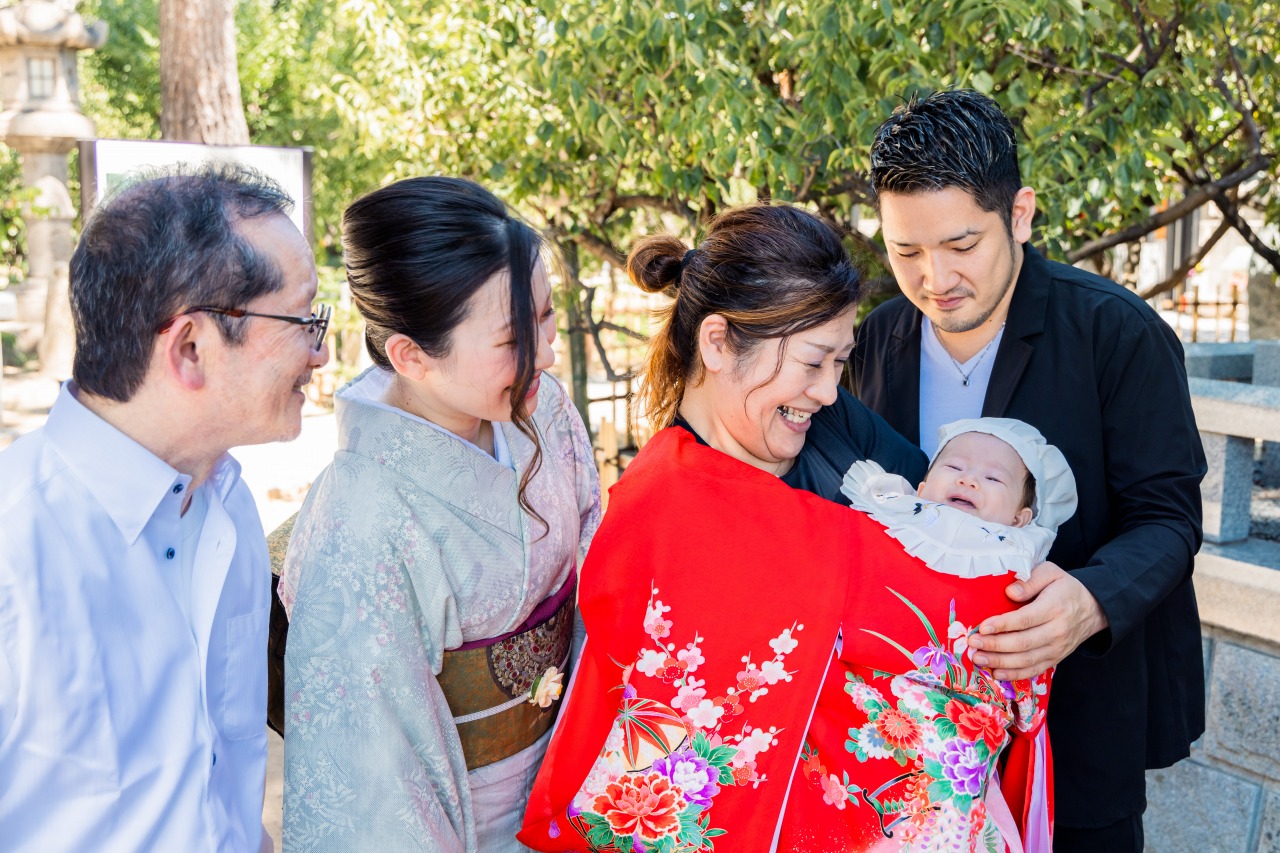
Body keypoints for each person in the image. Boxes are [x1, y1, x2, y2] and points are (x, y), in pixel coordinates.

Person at [854, 89, 1207, 852]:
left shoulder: (1116, 332)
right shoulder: (871, 343)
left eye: (961, 244)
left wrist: (1091, 598)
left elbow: (1170, 515)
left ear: (1020, 214)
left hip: (1077, 722)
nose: (933, 277)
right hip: (906, 741)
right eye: (905, 250)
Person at [518, 203, 927, 852]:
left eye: (838, 364)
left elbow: (934, 537)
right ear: (716, 342)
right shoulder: (661, 507)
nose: (826, 389)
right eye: (813, 361)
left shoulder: (828, 420)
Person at [0, 165, 328, 850]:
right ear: (190, 347)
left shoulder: (226, 508)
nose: (321, 352)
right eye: (303, 319)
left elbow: (225, 782)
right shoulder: (16, 544)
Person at [279, 176, 601, 853]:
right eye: (515, 335)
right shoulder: (361, 514)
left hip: (581, 773)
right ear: (411, 355)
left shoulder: (543, 409)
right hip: (462, 823)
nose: (546, 352)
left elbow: (603, 572)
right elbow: (372, 769)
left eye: (546, 315)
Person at [779, 417, 1077, 852]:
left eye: (993, 477)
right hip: (847, 732)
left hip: (947, 758)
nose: (969, 478)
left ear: (1021, 516)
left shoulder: (1020, 578)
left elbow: (1027, 687)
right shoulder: (874, 527)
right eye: (954, 466)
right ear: (921, 488)